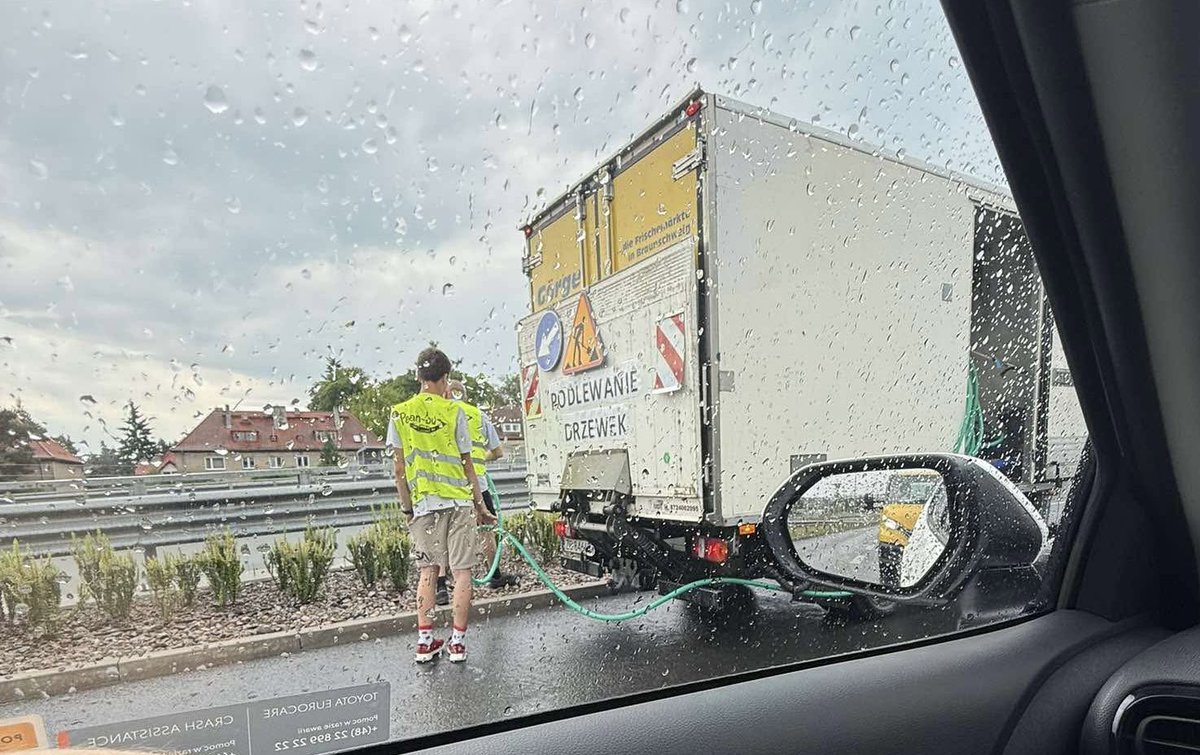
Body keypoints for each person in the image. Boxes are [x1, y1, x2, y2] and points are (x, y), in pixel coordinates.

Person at [388, 347, 495, 664]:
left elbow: (398, 470)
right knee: (462, 573)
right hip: (459, 504)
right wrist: (481, 507)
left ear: (419, 377)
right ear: (445, 377)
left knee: (427, 572)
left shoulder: (400, 413)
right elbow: (468, 465)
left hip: (423, 506)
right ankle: (458, 644)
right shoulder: (454, 412)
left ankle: (424, 641)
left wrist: (407, 509)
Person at [445, 377, 518, 591]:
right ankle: (494, 574)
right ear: (465, 394)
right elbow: (498, 452)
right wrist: (478, 459)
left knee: (450, 532)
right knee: (487, 528)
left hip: (450, 484)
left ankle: (447, 581)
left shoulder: (442, 413)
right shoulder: (478, 415)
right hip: (479, 482)